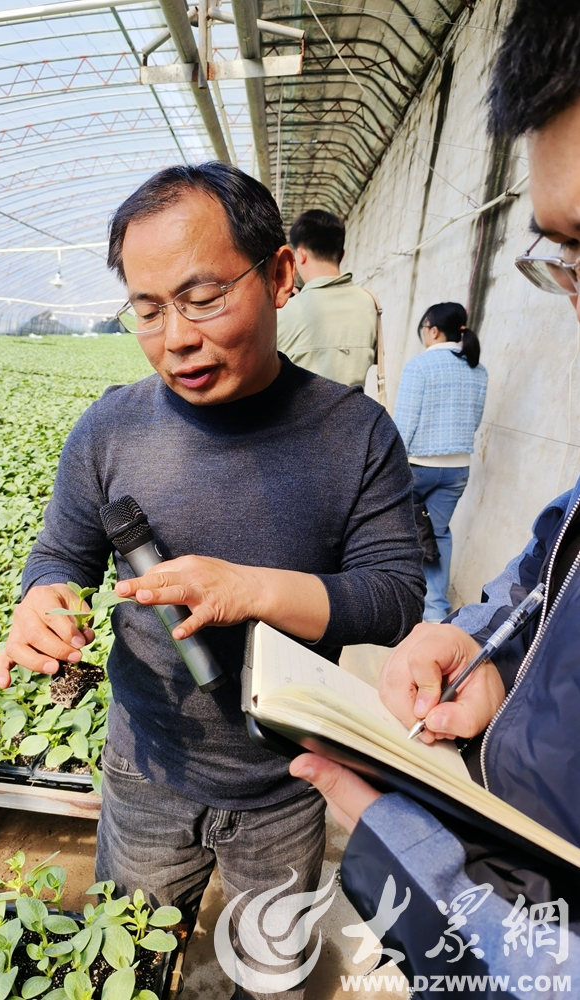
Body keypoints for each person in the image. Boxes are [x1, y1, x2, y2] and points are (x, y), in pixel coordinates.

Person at [0, 164, 425, 998]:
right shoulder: (110, 429)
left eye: (202, 298)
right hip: (145, 771)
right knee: (126, 967)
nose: (176, 338)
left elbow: (394, 593)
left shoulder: (355, 434)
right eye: (147, 310)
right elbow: (60, 557)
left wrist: (254, 590)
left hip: (283, 782)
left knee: (272, 978)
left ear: (279, 276)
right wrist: (40, 600)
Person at [290, 1, 580, 993]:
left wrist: (419, 867)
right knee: (443, 560)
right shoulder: (430, 351)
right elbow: (544, 577)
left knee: (410, 555)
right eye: (571, 265)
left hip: (413, 462)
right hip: (453, 469)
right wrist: (497, 664)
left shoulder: (383, 371)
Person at [394, 302, 488, 621]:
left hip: (417, 467)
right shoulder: (478, 369)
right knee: (438, 532)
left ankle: (401, 598)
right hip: (457, 469)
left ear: (433, 330)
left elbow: (404, 424)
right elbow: (474, 421)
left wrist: (390, 465)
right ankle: (435, 612)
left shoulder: (419, 366)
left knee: (407, 531)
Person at [276, 209, 378, 386]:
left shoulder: (284, 312)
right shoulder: (369, 303)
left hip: (304, 413)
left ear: (301, 255)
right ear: (342, 254)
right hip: (358, 412)